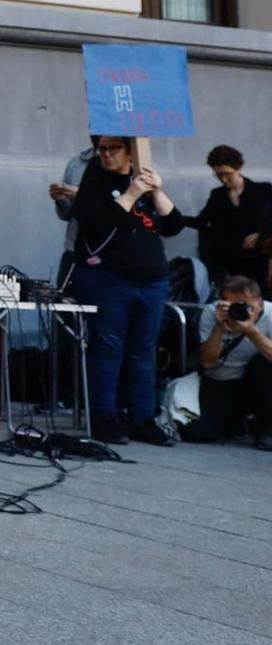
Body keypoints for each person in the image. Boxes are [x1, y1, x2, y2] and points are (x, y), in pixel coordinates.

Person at [69, 135, 186, 446]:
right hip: (109, 277)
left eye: (114, 149)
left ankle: (142, 417)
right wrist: (132, 192)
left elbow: (173, 224)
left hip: (151, 278)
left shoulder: (144, 181)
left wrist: (156, 189)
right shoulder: (95, 180)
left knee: (143, 350)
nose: (106, 154)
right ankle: (105, 416)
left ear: (130, 153)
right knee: (108, 348)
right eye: (102, 149)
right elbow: (97, 222)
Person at [184, 275, 272, 449]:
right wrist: (219, 327)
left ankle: (266, 430)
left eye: (246, 306)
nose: (240, 311)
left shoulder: (270, 315)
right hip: (222, 382)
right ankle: (233, 421)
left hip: (259, 383)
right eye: (233, 306)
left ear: (260, 304)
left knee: (264, 362)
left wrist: (252, 332)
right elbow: (207, 362)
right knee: (198, 432)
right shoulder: (212, 313)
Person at [185, 146, 272, 299]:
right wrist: (170, 214)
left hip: (261, 261)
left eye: (227, 174)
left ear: (239, 168)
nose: (223, 179)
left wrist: (262, 235)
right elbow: (201, 222)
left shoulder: (264, 190)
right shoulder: (217, 195)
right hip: (231, 263)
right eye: (218, 175)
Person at [49, 143, 96, 286]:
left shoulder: (132, 169)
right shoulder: (77, 164)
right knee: (66, 303)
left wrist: (82, 195)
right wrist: (61, 199)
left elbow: (118, 210)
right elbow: (66, 215)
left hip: (109, 256)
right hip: (74, 251)